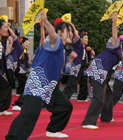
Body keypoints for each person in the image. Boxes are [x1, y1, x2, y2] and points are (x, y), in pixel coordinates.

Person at [5, 11, 74, 139]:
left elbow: (64, 70)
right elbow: (52, 35)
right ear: (60, 33)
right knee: (30, 113)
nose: (71, 33)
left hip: (49, 87)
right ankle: (13, 137)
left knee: (65, 106)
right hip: (38, 84)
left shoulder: (61, 50)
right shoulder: (55, 40)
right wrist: (46, 22)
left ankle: (53, 130)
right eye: (68, 30)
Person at [81, 13, 123, 129]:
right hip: (97, 71)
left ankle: (106, 117)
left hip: (101, 73)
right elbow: (114, 36)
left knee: (107, 95)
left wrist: (114, 67)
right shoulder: (116, 47)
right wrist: (114, 21)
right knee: (99, 97)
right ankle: (88, 121)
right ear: (120, 46)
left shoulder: (117, 56)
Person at [63, 28, 94, 101]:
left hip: (83, 66)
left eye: (87, 38)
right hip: (76, 66)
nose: (87, 39)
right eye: (85, 38)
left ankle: (82, 98)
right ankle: (64, 98)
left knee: (84, 82)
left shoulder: (86, 48)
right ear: (81, 39)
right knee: (72, 83)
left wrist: (91, 52)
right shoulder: (79, 45)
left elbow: (90, 57)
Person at [0, 20, 23, 116]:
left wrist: (11, 43)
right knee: (5, 86)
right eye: (5, 27)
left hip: (3, 69)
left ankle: (2, 109)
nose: (7, 30)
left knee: (6, 86)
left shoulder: (2, 41)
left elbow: (5, 54)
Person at [11, 37, 32, 111]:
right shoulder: (19, 50)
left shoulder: (25, 52)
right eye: (26, 43)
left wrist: (29, 55)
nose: (28, 45)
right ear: (22, 43)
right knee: (24, 81)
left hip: (23, 71)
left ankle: (20, 95)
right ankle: (19, 95)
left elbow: (29, 63)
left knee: (25, 82)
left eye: (29, 44)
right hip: (18, 70)